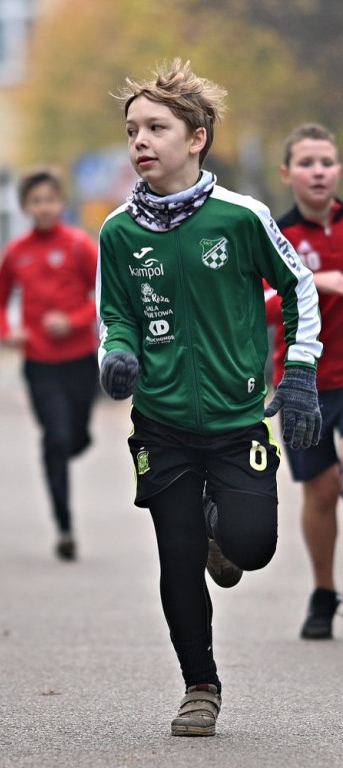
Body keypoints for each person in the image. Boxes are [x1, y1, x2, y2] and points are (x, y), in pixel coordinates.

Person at [97, 59, 321, 736]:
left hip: (236, 419)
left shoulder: (241, 218)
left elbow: (299, 289)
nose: (140, 140)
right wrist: (119, 354)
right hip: (161, 422)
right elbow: (117, 313)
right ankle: (200, 685)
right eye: (133, 128)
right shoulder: (119, 232)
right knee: (175, 555)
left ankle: (223, 532)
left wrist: (301, 372)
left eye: (156, 127)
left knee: (250, 548)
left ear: (196, 138)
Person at [0, 168, 99, 562]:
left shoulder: (78, 245)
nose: (44, 207)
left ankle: (72, 442)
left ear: (62, 203)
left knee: (76, 437)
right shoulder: (16, 252)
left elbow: (104, 293)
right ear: (24, 207)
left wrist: (72, 321)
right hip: (39, 362)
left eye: (50, 199)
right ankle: (64, 526)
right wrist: (7, 331)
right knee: (55, 437)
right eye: (36, 201)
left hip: (81, 359)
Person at [266, 123, 343, 639]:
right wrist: (311, 281)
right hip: (305, 382)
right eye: (308, 162)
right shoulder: (274, 235)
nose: (319, 171)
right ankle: (322, 592)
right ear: (288, 172)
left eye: (327, 161)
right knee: (321, 490)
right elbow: (256, 305)